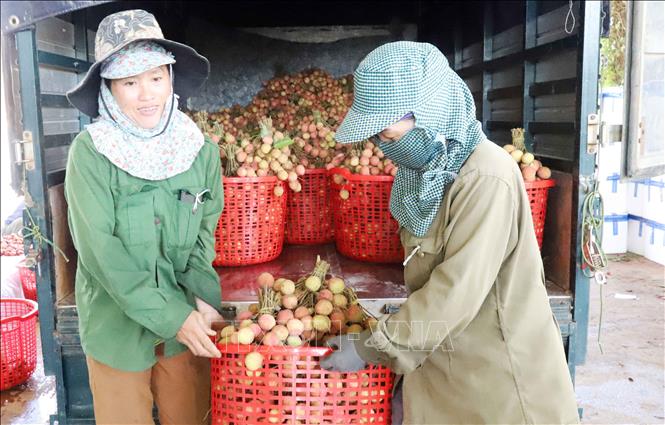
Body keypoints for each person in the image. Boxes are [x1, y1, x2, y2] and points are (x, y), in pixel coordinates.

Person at [320, 41, 580, 425]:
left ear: (429, 111)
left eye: (388, 136)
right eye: (377, 138)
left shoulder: (485, 176)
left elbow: (454, 292)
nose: (382, 146)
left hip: (498, 385)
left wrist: (373, 347)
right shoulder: (426, 172)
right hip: (449, 368)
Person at [64, 10, 224, 425]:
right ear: (109, 89)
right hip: (115, 327)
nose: (147, 94)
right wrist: (174, 317)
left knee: (191, 417)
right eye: (130, 82)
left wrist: (203, 299)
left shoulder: (198, 149)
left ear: (171, 78)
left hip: (185, 325)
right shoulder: (92, 153)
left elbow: (205, 229)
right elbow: (101, 253)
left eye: (156, 77)